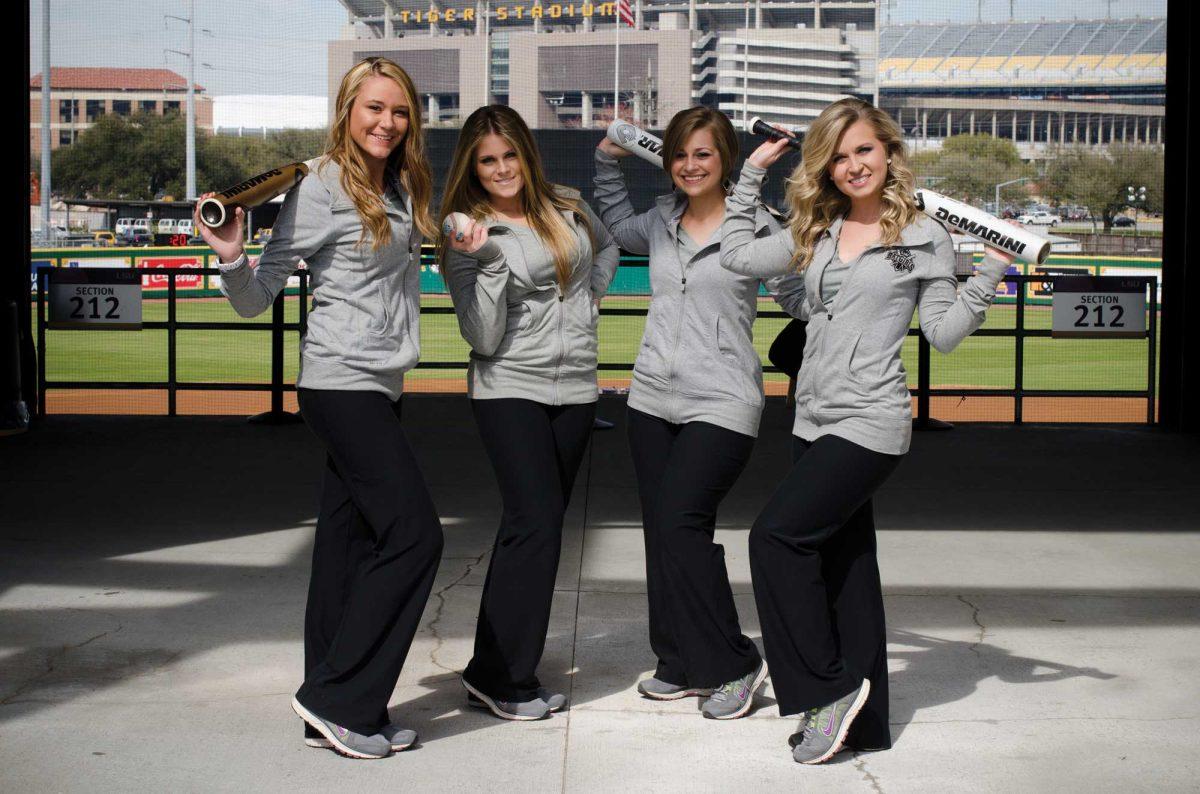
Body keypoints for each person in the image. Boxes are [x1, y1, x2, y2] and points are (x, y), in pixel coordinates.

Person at [720, 97, 1015, 764]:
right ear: (825, 165)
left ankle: (825, 690)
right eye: (840, 154)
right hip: (813, 418)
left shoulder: (923, 236)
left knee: (774, 539)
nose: (854, 165)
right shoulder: (815, 232)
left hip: (871, 420)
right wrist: (751, 175)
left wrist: (990, 271)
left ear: (888, 153)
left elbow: (941, 333)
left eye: (865, 151)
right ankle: (868, 722)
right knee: (845, 568)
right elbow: (739, 256)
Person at [195, 57, 443, 760]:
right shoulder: (322, 185)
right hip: (341, 384)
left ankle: (332, 707)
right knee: (416, 537)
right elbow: (254, 297)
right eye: (374, 109)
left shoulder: (398, 182)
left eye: (399, 111)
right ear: (347, 109)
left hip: (380, 383)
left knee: (346, 548)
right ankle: (340, 697)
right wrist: (231, 255)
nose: (387, 122)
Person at [594, 106, 805, 720]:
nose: (689, 165)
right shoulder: (659, 221)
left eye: (704, 154)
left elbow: (797, 294)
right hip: (652, 396)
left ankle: (733, 661)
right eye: (680, 153)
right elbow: (612, 223)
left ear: (726, 161)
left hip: (723, 398)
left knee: (682, 523)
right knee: (661, 532)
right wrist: (607, 160)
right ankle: (678, 661)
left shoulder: (761, 229)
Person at [440, 105, 619, 720]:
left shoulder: (564, 205)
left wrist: (588, 303)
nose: (501, 169)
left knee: (536, 531)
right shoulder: (466, 230)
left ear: (526, 156)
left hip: (575, 390)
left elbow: (608, 247)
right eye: (487, 161)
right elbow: (483, 336)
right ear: (473, 166)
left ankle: (496, 667)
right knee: (534, 522)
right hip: (509, 385)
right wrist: (488, 261)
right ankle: (503, 676)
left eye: (509, 155)